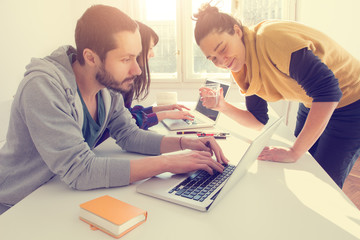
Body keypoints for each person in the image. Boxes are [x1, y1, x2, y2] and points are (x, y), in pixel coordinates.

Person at [0, 4, 228, 214]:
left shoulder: (107, 89)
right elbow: (80, 170)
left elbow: (130, 135)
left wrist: (184, 144)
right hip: (18, 205)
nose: (138, 70)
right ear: (91, 57)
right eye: (126, 59)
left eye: (136, 57)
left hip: (58, 194)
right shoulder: (43, 86)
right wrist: (168, 163)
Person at [193, 3, 360, 188]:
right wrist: (221, 106)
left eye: (222, 48)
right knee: (303, 167)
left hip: (352, 101)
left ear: (237, 31)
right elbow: (258, 121)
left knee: (325, 183)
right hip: (313, 101)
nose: (222, 61)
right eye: (213, 58)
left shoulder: (271, 39)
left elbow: (328, 91)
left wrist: (294, 151)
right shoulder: (241, 65)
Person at [123, 21, 194, 130]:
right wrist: (165, 114)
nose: (153, 54)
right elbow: (128, 122)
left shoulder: (128, 78)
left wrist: (165, 109)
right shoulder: (118, 81)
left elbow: (128, 113)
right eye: (150, 48)